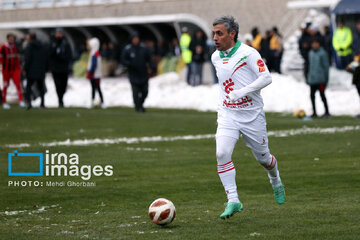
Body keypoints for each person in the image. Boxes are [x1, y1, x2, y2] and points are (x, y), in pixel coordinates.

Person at [211, 16, 285, 219]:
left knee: (264, 158)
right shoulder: (215, 57)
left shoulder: (248, 53)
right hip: (228, 114)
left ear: (232, 34)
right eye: (214, 33)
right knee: (221, 153)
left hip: (252, 115)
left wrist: (241, 92)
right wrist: (226, 102)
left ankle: (275, 180)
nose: (215, 37)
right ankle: (233, 200)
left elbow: (266, 77)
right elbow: (223, 86)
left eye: (219, 33)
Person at [121, 32, 154, 112]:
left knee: (145, 92)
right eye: (134, 38)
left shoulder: (144, 48)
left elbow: (149, 59)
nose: (136, 40)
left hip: (143, 74)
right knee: (135, 93)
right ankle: (137, 107)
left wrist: (151, 67)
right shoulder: (128, 49)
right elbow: (123, 59)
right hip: (133, 74)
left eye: (137, 38)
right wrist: (130, 64)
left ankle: (140, 104)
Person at [23, 32, 48, 109]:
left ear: (30, 38)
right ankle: (42, 103)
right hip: (40, 69)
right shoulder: (42, 45)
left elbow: (27, 59)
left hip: (31, 70)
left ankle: (28, 102)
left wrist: (25, 68)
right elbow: (46, 57)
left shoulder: (29, 46)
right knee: (41, 87)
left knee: (28, 87)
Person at [1, 33, 25, 109]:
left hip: (14, 70)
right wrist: (2, 68)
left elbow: (16, 59)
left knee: (18, 85)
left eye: (13, 39)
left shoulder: (14, 47)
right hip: (6, 71)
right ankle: (4, 102)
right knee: (5, 86)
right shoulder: (3, 48)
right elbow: (1, 59)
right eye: (11, 38)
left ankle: (21, 101)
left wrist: (19, 69)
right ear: (7, 39)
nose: (12, 40)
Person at [307, 38, 330, 118]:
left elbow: (326, 67)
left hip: (321, 79)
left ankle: (327, 112)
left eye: (316, 43)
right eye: (313, 43)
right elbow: (309, 66)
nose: (314, 45)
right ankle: (314, 112)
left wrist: (326, 79)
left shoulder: (323, 53)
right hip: (312, 79)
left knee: (322, 95)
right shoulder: (310, 53)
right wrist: (308, 77)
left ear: (319, 44)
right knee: (312, 96)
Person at [50, 28, 72, 108]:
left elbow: (69, 55)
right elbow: (50, 54)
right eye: (57, 33)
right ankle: (60, 100)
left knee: (63, 84)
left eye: (60, 33)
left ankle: (61, 98)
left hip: (64, 68)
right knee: (57, 85)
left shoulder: (66, 44)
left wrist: (62, 58)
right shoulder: (53, 43)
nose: (58, 35)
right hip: (55, 68)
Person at [87, 38, 105, 108]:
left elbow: (94, 65)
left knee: (96, 88)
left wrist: (90, 72)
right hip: (95, 75)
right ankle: (95, 101)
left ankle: (101, 102)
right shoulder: (95, 52)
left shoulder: (94, 53)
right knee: (96, 88)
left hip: (95, 75)